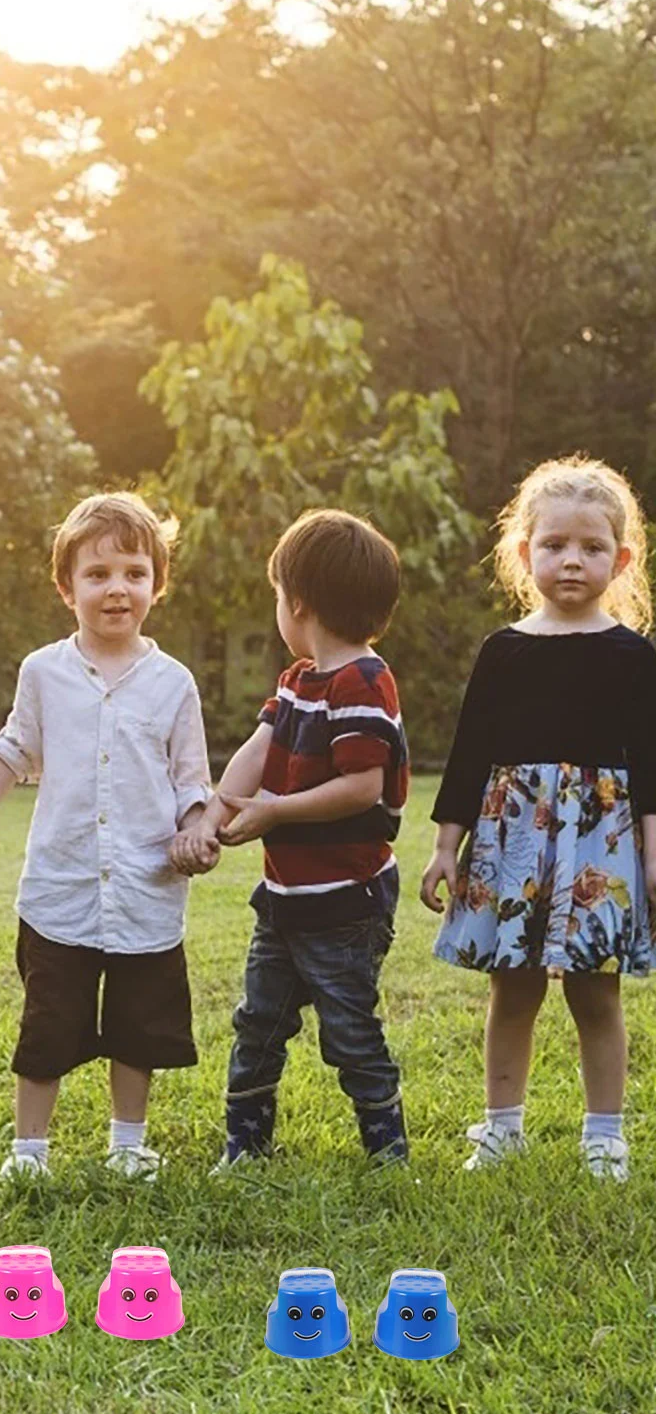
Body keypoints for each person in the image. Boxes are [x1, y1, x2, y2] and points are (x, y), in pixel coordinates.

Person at [0, 493, 214, 1182]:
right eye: (97, 574)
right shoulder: (44, 671)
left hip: (147, 888)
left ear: (157, 583)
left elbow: (192, 782)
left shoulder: (173, 684)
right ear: (67, 588)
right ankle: (29, 1152)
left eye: (134, 572)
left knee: (138, 1026)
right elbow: (11, 748)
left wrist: (196, 834)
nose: (117, 587)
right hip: (60, 888)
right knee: (49, 1023)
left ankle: (127, 1147)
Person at [422, 456, 656, 1182]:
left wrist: (652, 855)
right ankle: (501, 1131)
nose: (571, 560)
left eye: (590, 548)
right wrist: (443, 847)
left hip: (601, 840)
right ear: (525, 555)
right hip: (513, 836)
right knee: (513, 985)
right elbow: (467, 758)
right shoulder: (505, 650)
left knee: (595, 988)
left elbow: (650, 766)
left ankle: (604, 1137)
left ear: (619, 560)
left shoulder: (632, 655)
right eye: (554, 545)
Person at [187, 509, 410, 1167]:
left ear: (298, 603)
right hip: (283, 902)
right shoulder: (296, 682)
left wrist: (276, 811)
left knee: (350, 1033)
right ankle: (245, 1146)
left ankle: (387, 1152)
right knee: (258, 1024)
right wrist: (215, 813)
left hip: (346, 905)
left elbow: (362, 786)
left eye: (276, 597)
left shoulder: (365, 682)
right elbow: (256, 753)